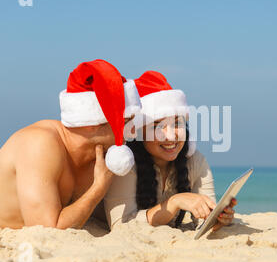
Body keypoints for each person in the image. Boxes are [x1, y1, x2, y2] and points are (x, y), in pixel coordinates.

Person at [0, 59, 141, 229]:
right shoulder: (40, 145)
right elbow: (47, 228)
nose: (133, 131)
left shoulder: (104, 155)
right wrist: (98, 188)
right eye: (125, 122)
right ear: (93, 124)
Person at [97, 70, 236, 231]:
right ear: (139, 131)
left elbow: (205, 220)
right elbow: (120, 225)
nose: (170, 136)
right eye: (157, 126)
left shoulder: (195, 161)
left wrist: (217, 218)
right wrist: (175, 202)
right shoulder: (125, 164)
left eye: (177, 124)